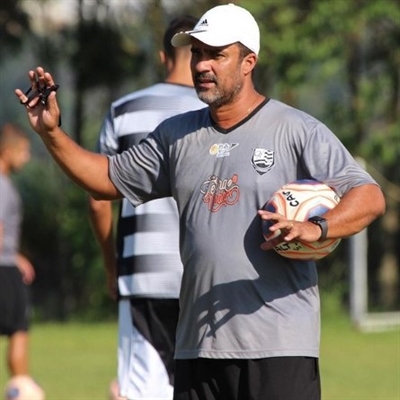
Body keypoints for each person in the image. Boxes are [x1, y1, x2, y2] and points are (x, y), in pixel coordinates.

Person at [15, 4, 386, 399]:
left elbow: (369, 196)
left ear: (249, 62)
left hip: (278, 346)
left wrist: (317, 227)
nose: (202, 64)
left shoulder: (295, 129)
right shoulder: (176, 136)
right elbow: (105, 180)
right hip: (197, 346)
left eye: (216, 54)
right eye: (196, 53)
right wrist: (51, 134)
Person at [88, 15, 205, 400]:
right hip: (207, 277)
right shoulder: (220, 116)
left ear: (162, 55)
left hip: (143, 278)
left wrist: (111, 267)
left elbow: (99, 200)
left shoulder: (124, 111)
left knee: (144, 391)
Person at [0, 123, 35, 379]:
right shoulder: (2, 186)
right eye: (23, 150)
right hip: (4, 273)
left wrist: (17, 256)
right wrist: (9, 258)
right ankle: (19, 388)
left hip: (8, 262)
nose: (27, 157)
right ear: (6, 151)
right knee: (18, 330)